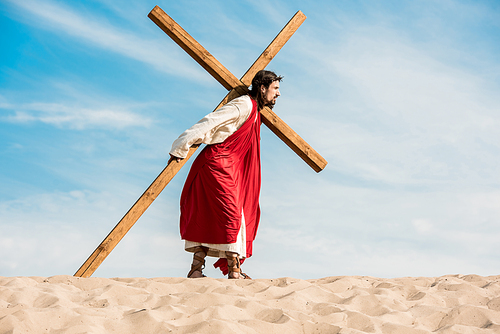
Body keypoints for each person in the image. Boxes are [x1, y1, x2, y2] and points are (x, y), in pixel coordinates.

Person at [168, 70, 282, 279]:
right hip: (217, 165)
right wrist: (180, 146)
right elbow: (210, 122)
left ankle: (196, 269)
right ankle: (234, 271)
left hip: (228, 168)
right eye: (275, 88)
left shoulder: (256, 111)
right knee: (232, 214)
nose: (279, 94)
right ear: (262, 88)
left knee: (215, 216)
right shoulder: (244, 105)